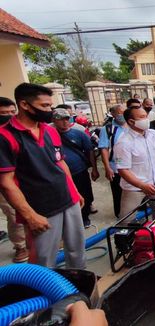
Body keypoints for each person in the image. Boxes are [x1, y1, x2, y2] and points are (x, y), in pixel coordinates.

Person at [0, 83, 85, 268]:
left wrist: (74, 191)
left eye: (50, 105)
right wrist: (30, 216)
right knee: (43, 260)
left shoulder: (50, 131)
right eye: (44, 106)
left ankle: (78, 290)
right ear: (25, 105)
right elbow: (6, 183)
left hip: (67, 200)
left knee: (77, 251)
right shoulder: (5, 136)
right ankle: (42, 295)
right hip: (41, 209)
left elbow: (60, 162)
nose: (50, 110)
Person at [114, 105, 155, 218]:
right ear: (131, 121)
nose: (146, 120)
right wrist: (142, 185)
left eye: (146, 116)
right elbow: (123, 170)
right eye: (142, 117)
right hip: (134, 188)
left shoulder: (153, 134)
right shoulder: (124, 142)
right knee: (126, 220)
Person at [52, 109, 99, 228]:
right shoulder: (49, 135)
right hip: (59, 174)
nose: (64, 122)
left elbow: (90, 151)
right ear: (54, 120)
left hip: (79, 171)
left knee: (85, 195)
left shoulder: (79, 134)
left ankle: (84, 217)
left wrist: (94, 169)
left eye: (66, 119)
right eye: (60, 119)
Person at [0, 97, 28, 263]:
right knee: (14, 214)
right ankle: (20, 246)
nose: (9, 116)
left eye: (12, 112)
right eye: (4, 113)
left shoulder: (20, 131)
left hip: (26, 179)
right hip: (6, 184)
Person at [99, 104, 127, 218]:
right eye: (119, 113)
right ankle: (120, 216)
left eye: (124, 112)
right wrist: (107, 168)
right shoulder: (108, 129)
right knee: (118, 193)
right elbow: (104, 148)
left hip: (132, 167)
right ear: (113, 114)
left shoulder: (131, 126)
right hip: (116, 168)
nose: (122, 115)